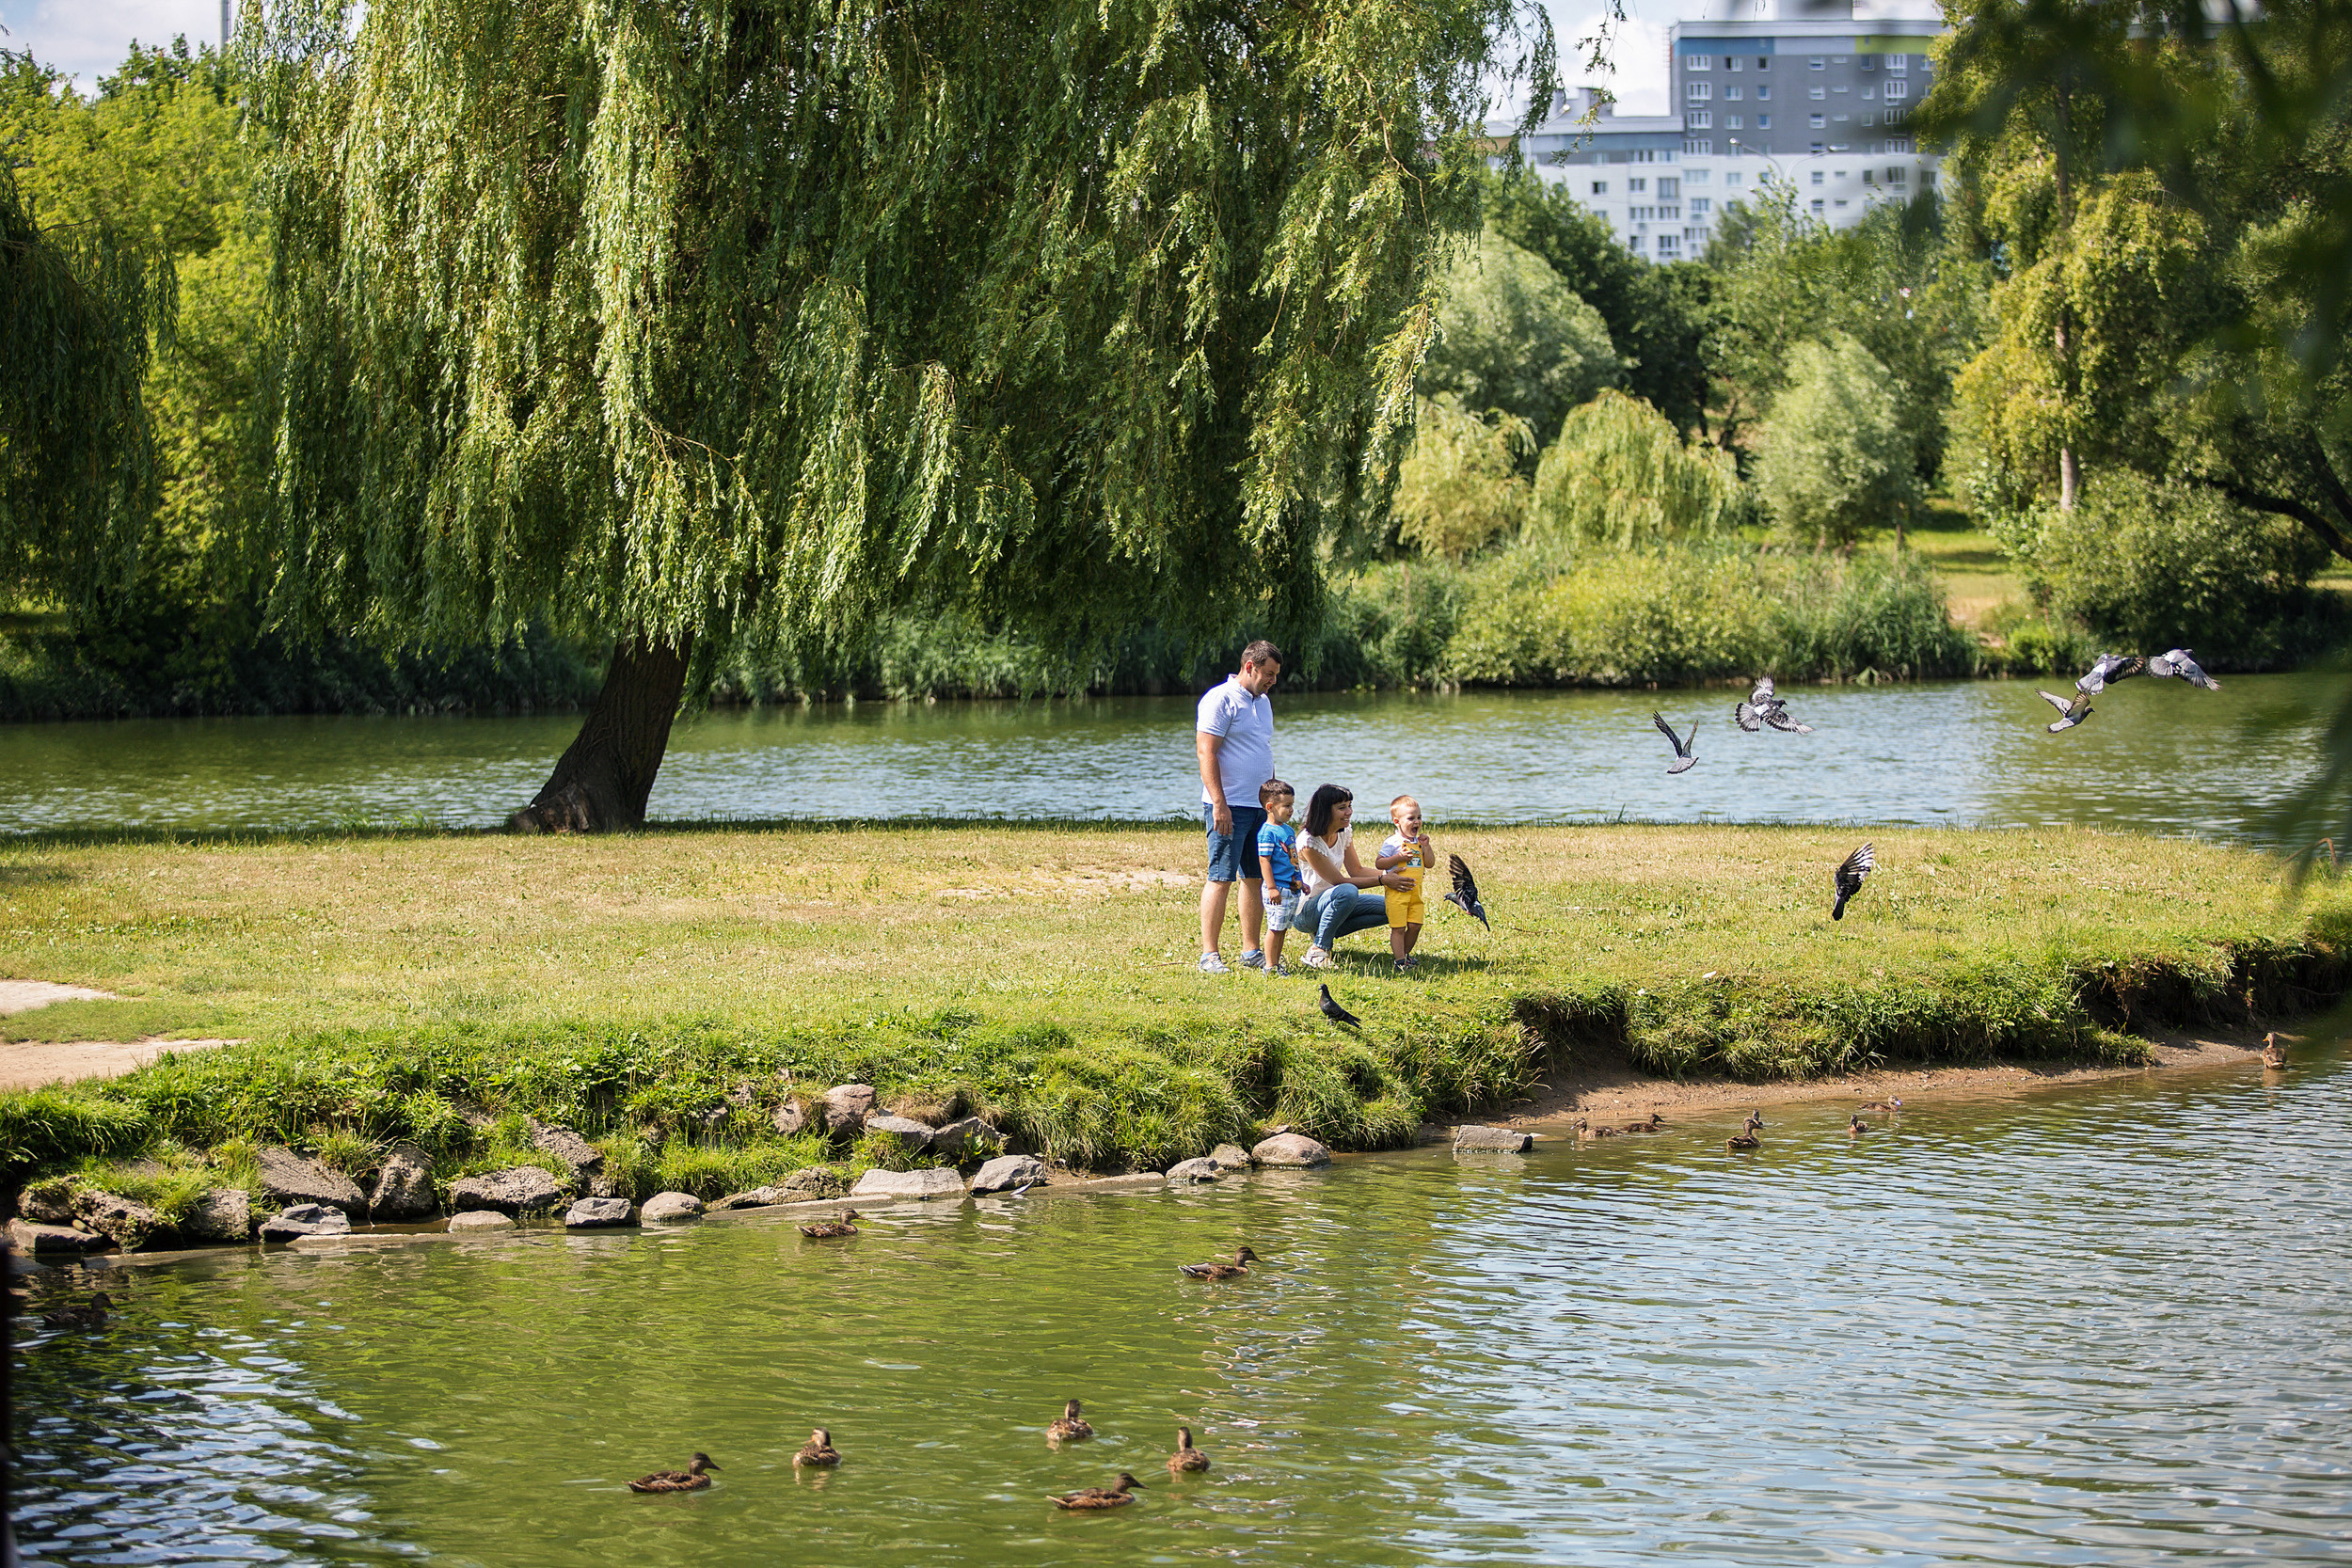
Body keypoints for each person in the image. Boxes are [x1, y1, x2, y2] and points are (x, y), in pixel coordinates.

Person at [1195, 640, 1281, 974]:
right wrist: (1220, 803)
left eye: (1276, 674)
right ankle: (1209, 956)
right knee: (1221, 877)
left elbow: (1262, 750)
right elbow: (1206, 752)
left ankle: (1251, 951)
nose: (1272, 680)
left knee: (1255, 877)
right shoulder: (1220, 699)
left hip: (1261, 807)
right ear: (1250, 667)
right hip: (1229, 806)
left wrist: (1274, 802)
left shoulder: (1263, 702)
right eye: (1268, 673)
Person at [1294, 783, 1406, 970]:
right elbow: (1339, 881)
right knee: (1347, 891)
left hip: (1334, 900)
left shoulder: (1344, 831)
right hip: (1305, 910)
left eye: (1349, 805)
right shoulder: (1308, 842)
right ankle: (1318, 950)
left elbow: (1357, 870)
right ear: (1325, 811)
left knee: (1394, 908)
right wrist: (1383, 880)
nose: (1349, 812)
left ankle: (1326, 929)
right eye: (1342, 808)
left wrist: (1396, 875)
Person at [1375, 794, 1436, 973]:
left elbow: (1430, 864)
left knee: (1416, 925)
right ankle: (1400, 961)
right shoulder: (1393, 842)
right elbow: (1379, 863)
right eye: (1411, 818)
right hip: (1397, 893)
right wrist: (1398, 857)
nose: (1417, 821)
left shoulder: (1420, 842)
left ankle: (1405, 954)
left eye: (1419, 817)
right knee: (1399, 928)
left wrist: (1427, 847)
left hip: (1416, 893)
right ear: (1397, 821)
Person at [1254, 781, 1306, 976]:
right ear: (1270, 807)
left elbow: (1292, 860)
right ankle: (1270, 966)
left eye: (1292, 805)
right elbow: (1264, 861)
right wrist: (1272, 887)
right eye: (1286, 806)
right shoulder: (1268, 832)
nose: (1291, 810)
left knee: (1283, 928)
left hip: (1291, 887)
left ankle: (1275, 962)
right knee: (1275, 928)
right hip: (1277, 889)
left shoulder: (1287, 830)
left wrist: (1301, 882)